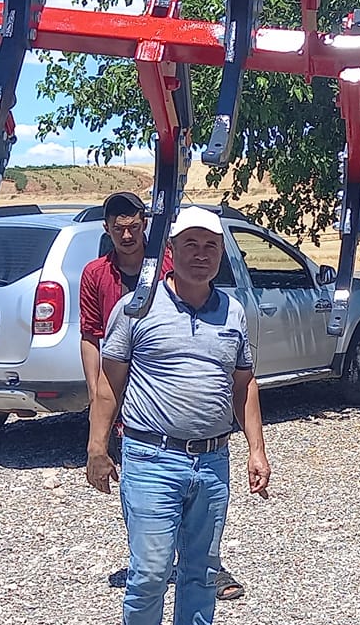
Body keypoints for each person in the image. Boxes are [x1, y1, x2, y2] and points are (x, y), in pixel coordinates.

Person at [86, 205, 272, 625]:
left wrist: (256, 449)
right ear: (170, 250)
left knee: (201, 567)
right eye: (190, 244)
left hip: (212, 461)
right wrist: (98, 448)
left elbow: (244, 383)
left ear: (221, 254)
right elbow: (108, 385)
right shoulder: (138, 307)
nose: (201, 255)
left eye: (210, 246)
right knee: (150, 569)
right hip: (152, 457)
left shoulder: (232, 311)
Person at [77, 191, 247, 601]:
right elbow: (90, 335)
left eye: (134, 227)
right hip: (124, 391)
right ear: (108, 230)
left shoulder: (171, 265)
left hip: (171, 391)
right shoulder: (96, 275)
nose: (127, 235)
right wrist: (97, 395)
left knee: (195, 502)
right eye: (119, 229)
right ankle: (152, 564)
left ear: (145, 227)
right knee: (146, 489)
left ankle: (204, 567)